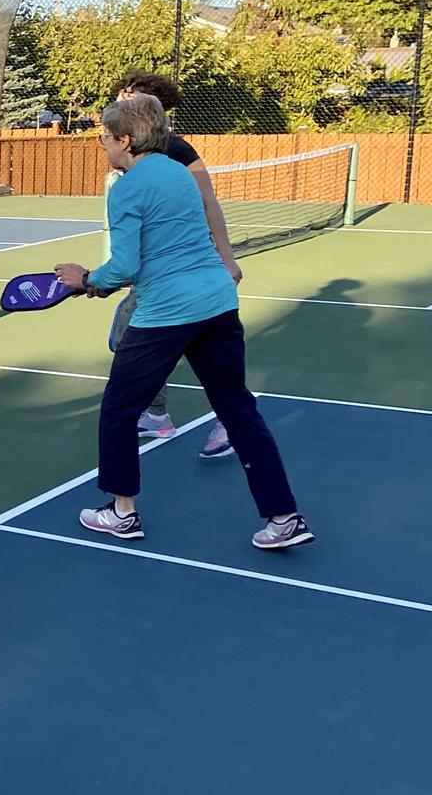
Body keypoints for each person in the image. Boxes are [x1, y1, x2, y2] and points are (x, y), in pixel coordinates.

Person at [53, 93, 311, 550]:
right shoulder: (177, 173)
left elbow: (125, 265)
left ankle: (121, 513)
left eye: (105, 139)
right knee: (237, 409)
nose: (103, 147)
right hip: (216, 302)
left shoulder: (126, 187)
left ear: (125, 140)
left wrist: (86, 279)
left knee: (118, 410)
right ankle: (284, 517)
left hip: (166, 313)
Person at [106, 71, 241, 459]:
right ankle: (157, 414)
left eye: (128, 97)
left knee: (168, 344)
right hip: (152, 273)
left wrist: (227, 258)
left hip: (186, 274)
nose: (121, 100)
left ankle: (227, 417)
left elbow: (208, 202)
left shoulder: (175, 149)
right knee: (131, 339)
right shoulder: (126, 154)